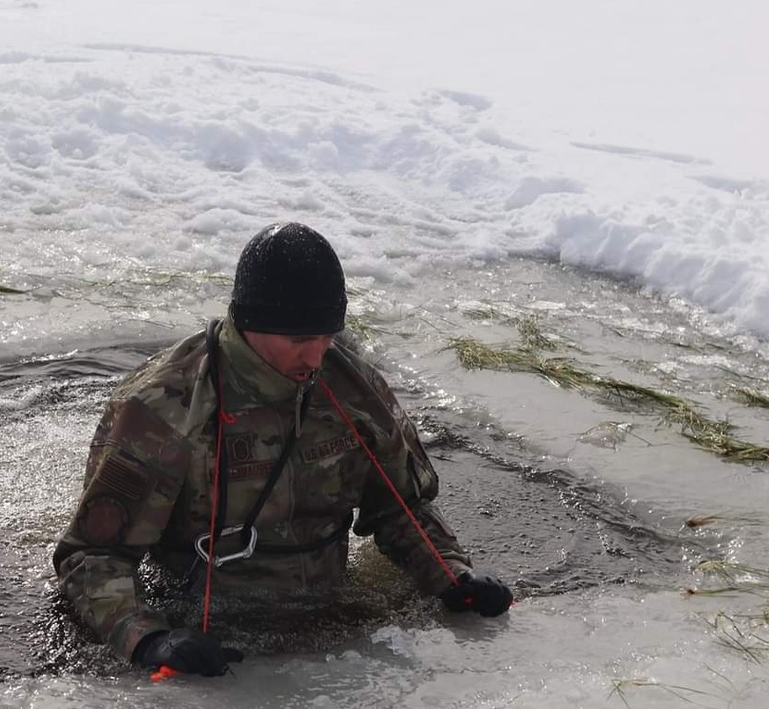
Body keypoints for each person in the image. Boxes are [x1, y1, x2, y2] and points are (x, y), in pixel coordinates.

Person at [54, 223, 512, 676]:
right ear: (251, 323)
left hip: (330, 631)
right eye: (299, 341)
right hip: (212, 636)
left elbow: (402, 509)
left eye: (326, 337)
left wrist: (450, 576)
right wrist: (147, 638)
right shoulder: (164, 409)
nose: (316, 359)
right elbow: (93, 556)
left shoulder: (356, 390)